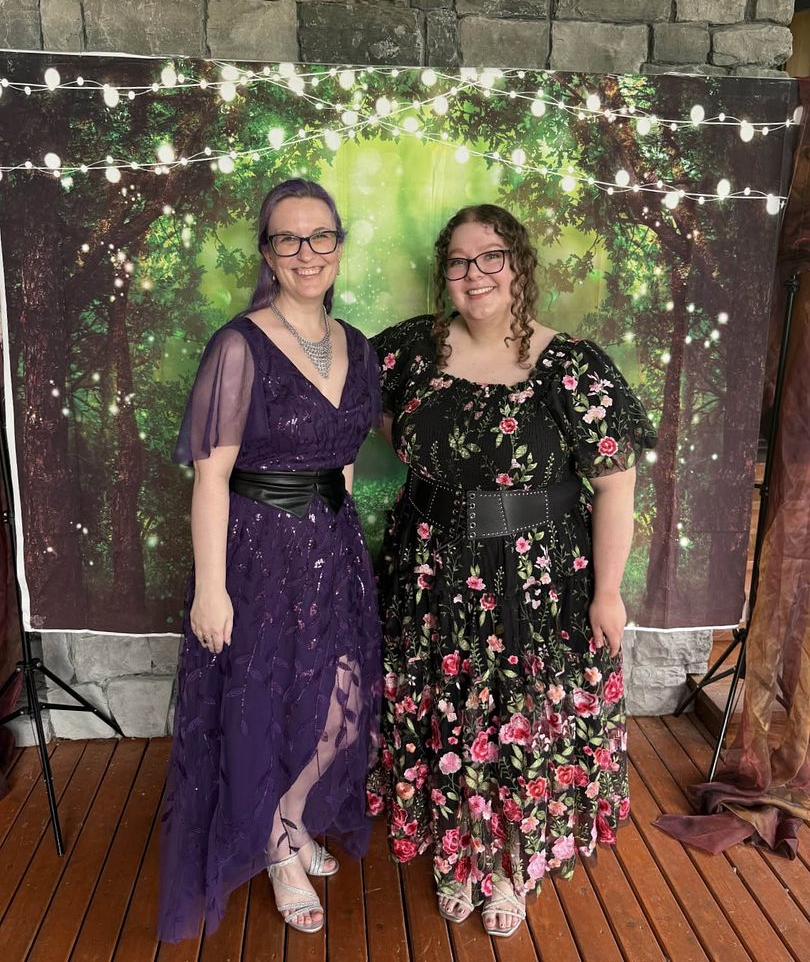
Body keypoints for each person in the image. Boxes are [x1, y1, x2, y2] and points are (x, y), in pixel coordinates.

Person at [367, 204, 655, 938]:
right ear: (445, 274)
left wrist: (608, 592)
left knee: (518, 717)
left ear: (518, 264)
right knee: (445, 710)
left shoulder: (572, 366)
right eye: (459, 262)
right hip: (430, 567)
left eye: (490, 256)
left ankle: (506, 864)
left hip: (538, 576)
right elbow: (358, 413)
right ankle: (455, 849)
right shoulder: (407, 352)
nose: (475, 274)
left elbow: (616, 486)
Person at [158, 178, 382, 941]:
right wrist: (211, 589)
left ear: (339, 246)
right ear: (267, 252)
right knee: (266, 704)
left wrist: (340, 542)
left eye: (321, 236)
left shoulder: (359, 346)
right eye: (289, 238)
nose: (306, 252)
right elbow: (211, 477)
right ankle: (279, 847)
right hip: (256, 553)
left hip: (333, 550)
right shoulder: (238, 345)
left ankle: (283, 816)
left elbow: (343, 458)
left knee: (338, 706)